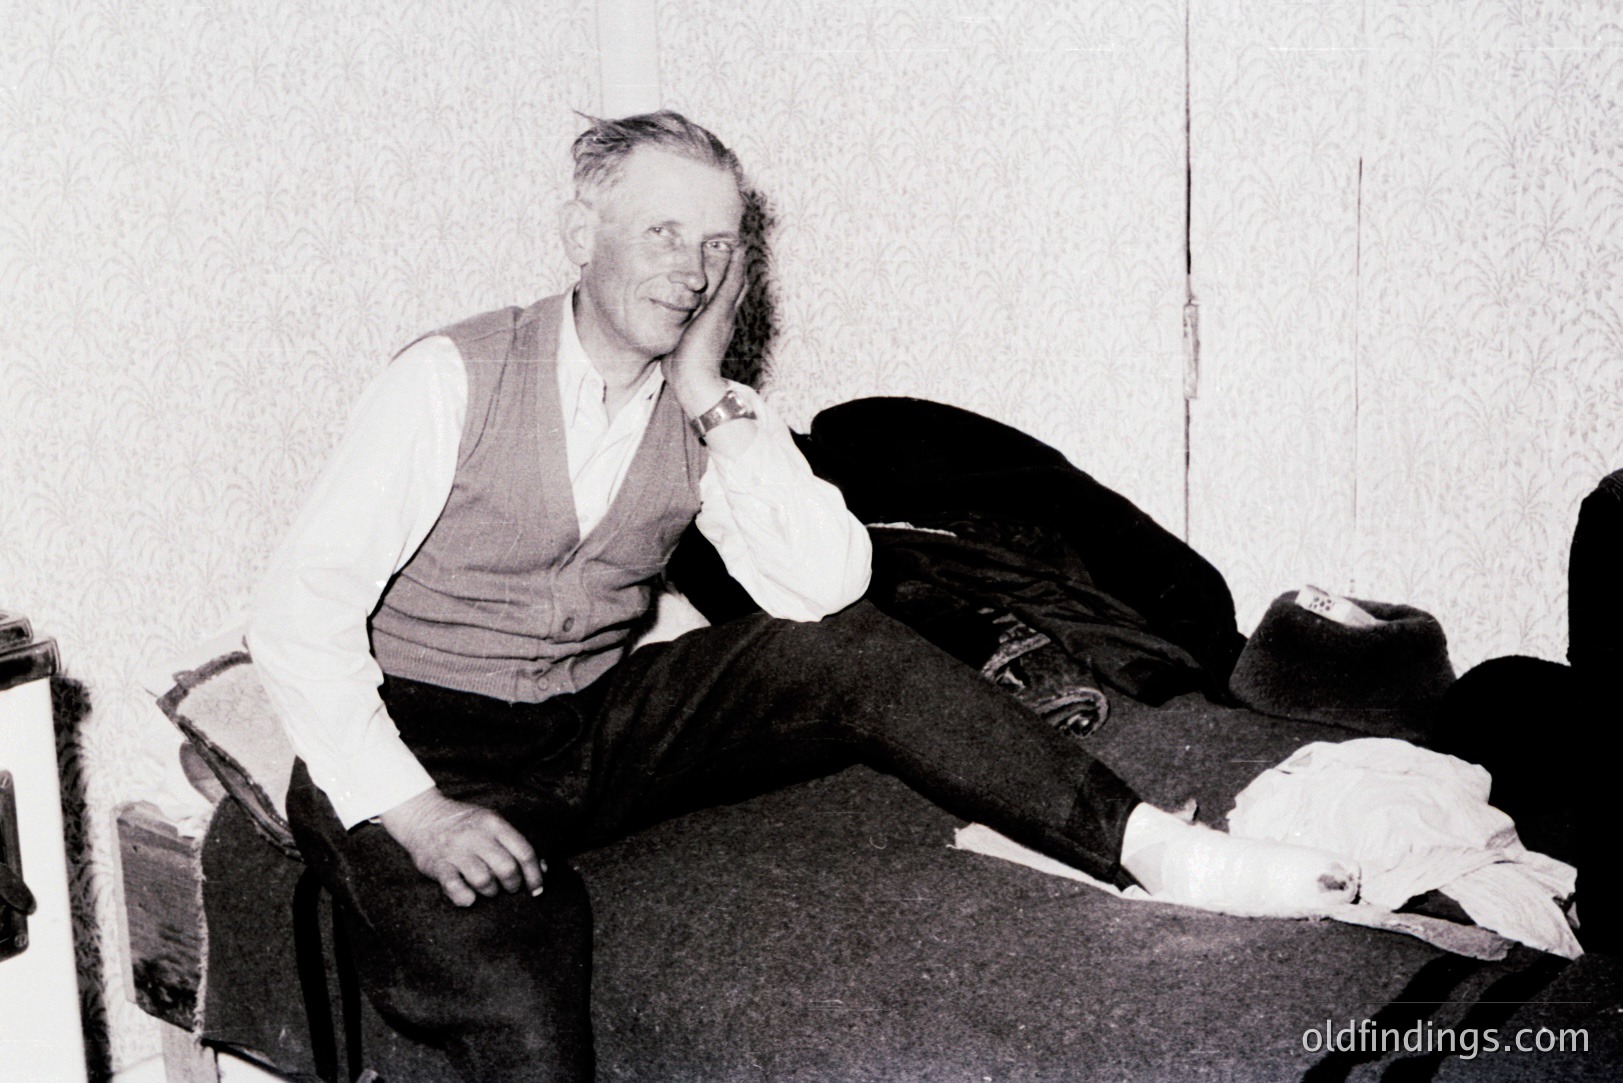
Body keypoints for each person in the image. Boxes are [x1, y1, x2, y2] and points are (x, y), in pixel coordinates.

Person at [248, 110, 1358, 1082]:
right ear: (582, 233)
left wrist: (710, 395)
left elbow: (829, 588)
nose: (690, 268)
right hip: (420, 748)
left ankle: (1161, 849)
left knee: (843, 654)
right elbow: (296, 614)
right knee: (525, 993)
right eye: (663, 233)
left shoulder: (701, 404)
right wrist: (416, 812)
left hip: (582, 732)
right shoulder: (450, 378)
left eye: (717, 246)